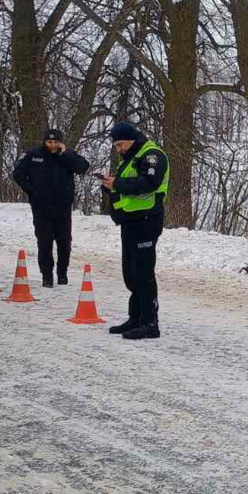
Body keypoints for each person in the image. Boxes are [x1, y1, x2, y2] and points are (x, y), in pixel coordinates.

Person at [101, 121, 168, 340]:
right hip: (130, 222)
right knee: (131, 274)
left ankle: (150, 323)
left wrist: (117, 185)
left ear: (130, 138)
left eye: (120, 144)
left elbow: (148, 183)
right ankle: (136, 318)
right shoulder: (130, 157)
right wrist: (110, 184)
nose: (118, 149)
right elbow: (128, 184)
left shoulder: (151, 155)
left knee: (143, 273)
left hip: (146, 221)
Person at [13, 128, 91, 286]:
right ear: (44, 141)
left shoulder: (67, 155)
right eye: (49, 142)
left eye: (56, 142)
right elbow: (18, 174)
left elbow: (83, 167)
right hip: (41, 207)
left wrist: (65, 154)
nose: (52, 145)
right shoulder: (33, 154)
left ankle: (62, 274)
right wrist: (32, 191)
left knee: (64, 242)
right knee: (44, 241)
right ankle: (46, 276)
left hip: (62, 207)